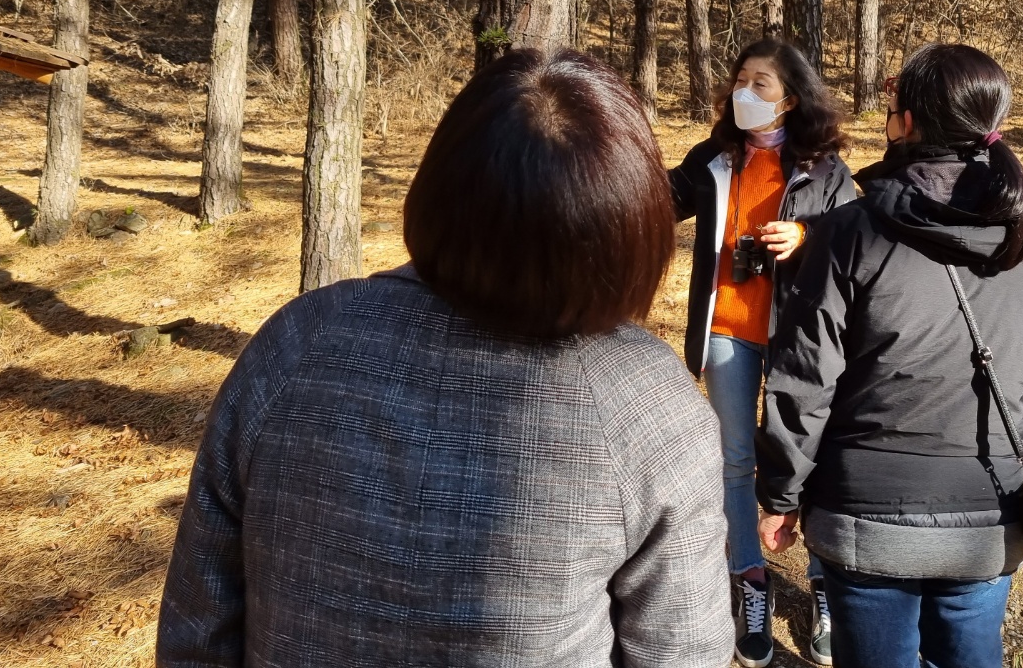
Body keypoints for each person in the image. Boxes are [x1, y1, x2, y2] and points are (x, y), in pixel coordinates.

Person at [157, 49, 732, 668]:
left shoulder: (297, 343)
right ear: (633, 224)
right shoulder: (649, 405)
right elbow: (684, 651)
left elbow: (198, 627)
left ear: (440, 186)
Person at [753, 43, 1023, 668]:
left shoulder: (848, 233)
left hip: (865, 510)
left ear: (906, 122)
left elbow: (804, 379)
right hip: (990, 503)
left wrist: (782, 493)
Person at [668, 37, 854, 668]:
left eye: (761, 83)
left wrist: (804, 235)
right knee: (734, 459)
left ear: (791, 98)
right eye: (740, 79)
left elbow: (853, 239)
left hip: (799, 336)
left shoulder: (826, 170)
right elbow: (661, 198)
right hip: (726, 327)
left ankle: (825, 584)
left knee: (808, 453)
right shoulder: (714, 157)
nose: (743, 92)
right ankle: (749, 577)